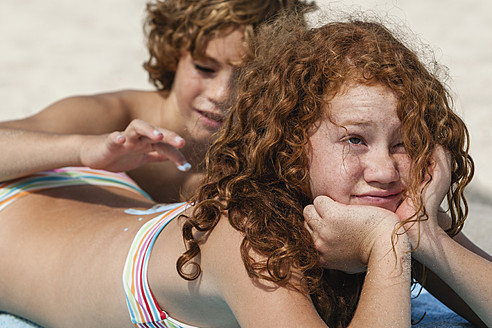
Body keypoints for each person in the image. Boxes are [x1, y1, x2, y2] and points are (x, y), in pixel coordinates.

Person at [1, 15, 491, 328]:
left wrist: (425, 236)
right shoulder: (248, 239)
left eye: (405, 144)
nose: (385, 169)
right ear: (293, 146)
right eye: (354, 140)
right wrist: (389, 250)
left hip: (104, 207)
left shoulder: (384, 205)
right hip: (16, 212)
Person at [0, 0, 315, 203]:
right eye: (205, 68)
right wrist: (84, 150)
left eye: (248, 78)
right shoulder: (116, 116)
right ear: (174, 52)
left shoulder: (267, 145)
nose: (221, 94)